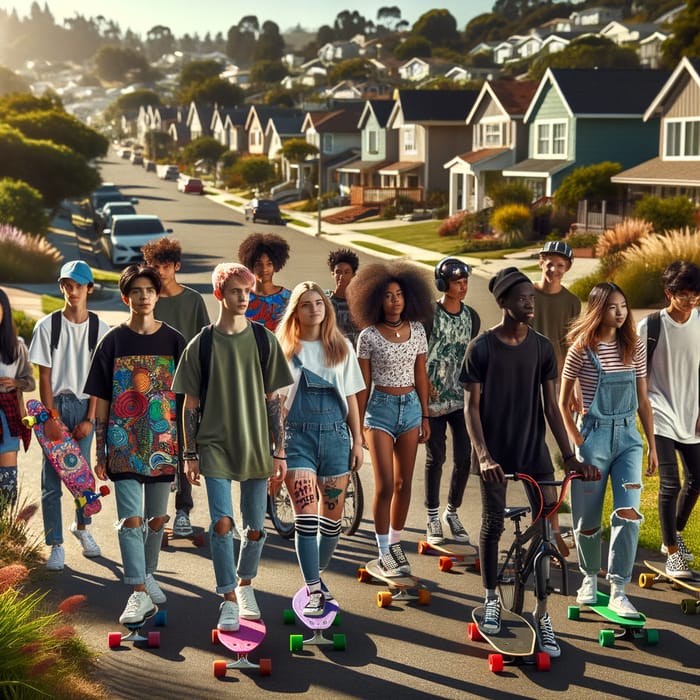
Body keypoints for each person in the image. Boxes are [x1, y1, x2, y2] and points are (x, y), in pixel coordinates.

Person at [462, 267, 598, 658]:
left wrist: (569, 457)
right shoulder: (482, 348)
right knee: (491, 525)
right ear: (503, 302)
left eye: (532, 298)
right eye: (522, 299)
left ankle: (541, 615)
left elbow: (553, 410)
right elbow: (471, 408)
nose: (530, 304)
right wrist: (484, 455)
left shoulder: (540, 347)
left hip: (532, 451)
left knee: (545, 531)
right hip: (494, 452)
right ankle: (491, 597)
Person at [172, 262, 293, 632]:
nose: (244, 298)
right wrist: (189, 453)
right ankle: (226, 596)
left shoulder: (263, 339)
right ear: (219, 294)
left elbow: (274, 400)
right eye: (237, 291)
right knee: (222, 523)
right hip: (215, 445)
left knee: (255, 528)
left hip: (256, 445)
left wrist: (280, 450)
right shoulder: (202, 343)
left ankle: (245, 584)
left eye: (248, 292)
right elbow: (189, 404)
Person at [84, 264, 186, 625]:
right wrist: (100, 452)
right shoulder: (112, 341)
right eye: (137, 291)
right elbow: (102, 402)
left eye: (149, 290)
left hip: (163, 445)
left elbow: (187, 400)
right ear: (127, 297)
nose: (144, 297)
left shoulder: (175, 341)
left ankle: (148, 573)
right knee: (131, 519)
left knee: (157, 520)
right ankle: (138, 594)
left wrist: (189, 451)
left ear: (157, 296)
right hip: (123, 444)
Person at [559, 282, 658, 619]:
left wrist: (652, 446)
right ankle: (588, 578)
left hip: (629, 439)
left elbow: (643, 401)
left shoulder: (636, 347)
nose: (620, 314)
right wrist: (578, 440)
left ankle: (618, 589)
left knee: (628, 514)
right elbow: (561, 402)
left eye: (623, 307)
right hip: (594, 439)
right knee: (587, 520)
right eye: (613, 307)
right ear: (598, 309)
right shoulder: (581, 349)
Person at [276, 281, 364, 615]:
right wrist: (277, 446)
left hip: (336, 436)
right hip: (296, 438)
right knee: (307, 518)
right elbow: (275, 403)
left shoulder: (341, 346)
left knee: (332, 522)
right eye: (306, 304)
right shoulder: (284, 348)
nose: (314, 309)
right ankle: (314, 590)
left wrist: (358, 441)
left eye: (319, 303)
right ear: (296, 311)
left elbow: (353, 395)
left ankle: (316, 575)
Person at [348, 261, 433, 577]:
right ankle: (383, 551)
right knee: (384, 485)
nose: (395, 300)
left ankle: (395, 544)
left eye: (399, 294)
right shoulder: (368, 336)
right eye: (387, 295)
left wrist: (425, 415)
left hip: (411, 407)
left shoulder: (418, 331)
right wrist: (358, 427)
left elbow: (420, 373)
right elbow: (362, 385)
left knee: (403, 482)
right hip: (379, 410)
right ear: (375, 300)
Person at [29, 260, 110, 570]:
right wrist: (50, 417)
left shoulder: (100, 329)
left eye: (78, 285)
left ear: (89, 288)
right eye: (66, 284)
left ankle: (82, 528)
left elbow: (99, 381)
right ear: (61, 286)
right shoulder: (47, 326)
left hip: (84, 406)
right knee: (51, 480)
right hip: (55, 407)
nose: (71, 290)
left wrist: (90, 418)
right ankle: (56, 544)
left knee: (82, 478)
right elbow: (45, 377)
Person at [141, 237, 210, 539]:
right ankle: (155, 515)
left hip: (186, 387)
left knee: (184, 448)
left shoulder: (193, 300)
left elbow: (206, 343)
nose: (160, 271)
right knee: (154, 448)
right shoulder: (148, 299)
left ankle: (183, 511)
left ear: (176, 266)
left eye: (165, 266)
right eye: (155, 266)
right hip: (153, 387)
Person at [638, 262, 700, 577]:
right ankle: (673, 553)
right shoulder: (649, 326)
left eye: (695, 294)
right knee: (670, 482)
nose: (690, 300)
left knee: (697, 479)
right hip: (658, 410)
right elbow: (637, 375)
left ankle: (671, 534)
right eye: (683, 294)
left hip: (691, 412)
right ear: (669, 293)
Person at [424, 257, 480, 546]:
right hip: (433, 401)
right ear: (443, 284)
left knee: (463, 458)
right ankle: (432, 515)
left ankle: (451, 512)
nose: (463, 287)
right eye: (458, 282)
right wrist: (424, 382)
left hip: (461, 399)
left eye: (465, 281)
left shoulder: (473, 317)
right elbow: (417, 353)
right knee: (437, 458)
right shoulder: (429, 315)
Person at [531, 240, 582, 558]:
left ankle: (556, 530)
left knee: (561, 457)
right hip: (528, 384)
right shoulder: (527, 294)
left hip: (558, 386)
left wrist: (574, 386)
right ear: (541, 264)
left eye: (560, 265)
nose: (554, 269)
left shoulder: (572, 302)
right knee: (537, 458)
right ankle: (547, 529)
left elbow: (573, 345)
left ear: (567, 270)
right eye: (549, 263)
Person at [0, 288, 34, 508]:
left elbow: (31, 381)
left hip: (8, 414)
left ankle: (5, 529)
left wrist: (16, 383)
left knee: (7, 478)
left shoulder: (17, 345)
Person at [237, 233, 291, 331]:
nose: (264, 269)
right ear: (250, 265)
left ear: (276, 266)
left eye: (269, 264)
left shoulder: (289, 298)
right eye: (258, 264)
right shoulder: (242, 297)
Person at [326, 248, 360, 347]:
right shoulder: (326, 302)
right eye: (338, 272)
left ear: (353, 275)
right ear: (333, 274)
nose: (341, 276)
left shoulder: (360, 303)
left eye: (346, 272)